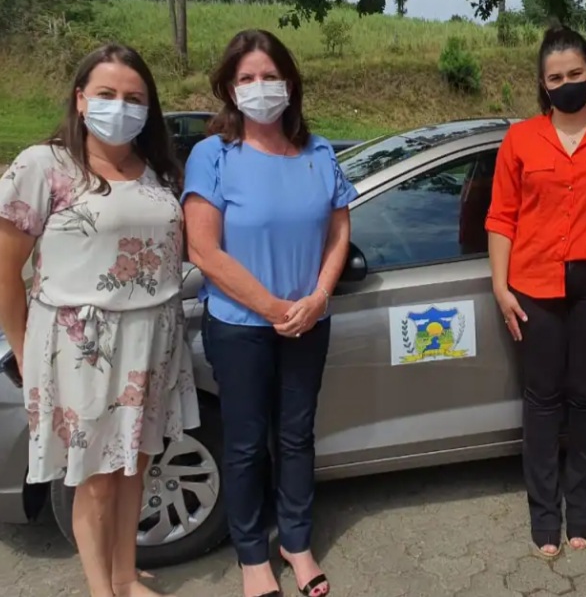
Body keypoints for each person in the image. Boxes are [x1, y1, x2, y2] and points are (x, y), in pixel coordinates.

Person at [0, 44, 199, 597]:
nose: (121, 106)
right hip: (82, 346)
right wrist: (24, 350)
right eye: (108, 94)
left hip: (152, 342)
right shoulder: (45, 165)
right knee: (94, 480)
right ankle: (100, 589)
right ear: (81, 100)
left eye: (134, 98)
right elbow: (6, 271)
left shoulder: (157, 170)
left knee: (135, 465)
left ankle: (124, 574)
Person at [182, 29, 357, 597]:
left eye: (269, 76)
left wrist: (319, 298)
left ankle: (297, 543)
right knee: (244, 441)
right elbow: (203, 250)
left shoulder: (319, 152)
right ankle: (252, 554)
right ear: (230, 89)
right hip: (240, 327)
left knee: (297, 437)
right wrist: (275, 307)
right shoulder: (213, 154)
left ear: (290, 82)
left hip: (310, 322)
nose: (260, 88)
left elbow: (338, 233)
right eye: (247, 78)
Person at [485, 26, 586, 557]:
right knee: (540, 401)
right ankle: (543, 516)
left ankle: (581, 510)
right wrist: (500, 285)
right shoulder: (520, 140)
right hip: (534, 285)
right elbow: (501, 217)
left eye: (575, 74)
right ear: (543, 83)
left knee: (585, 397)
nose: (567, 83)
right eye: (556, 77)